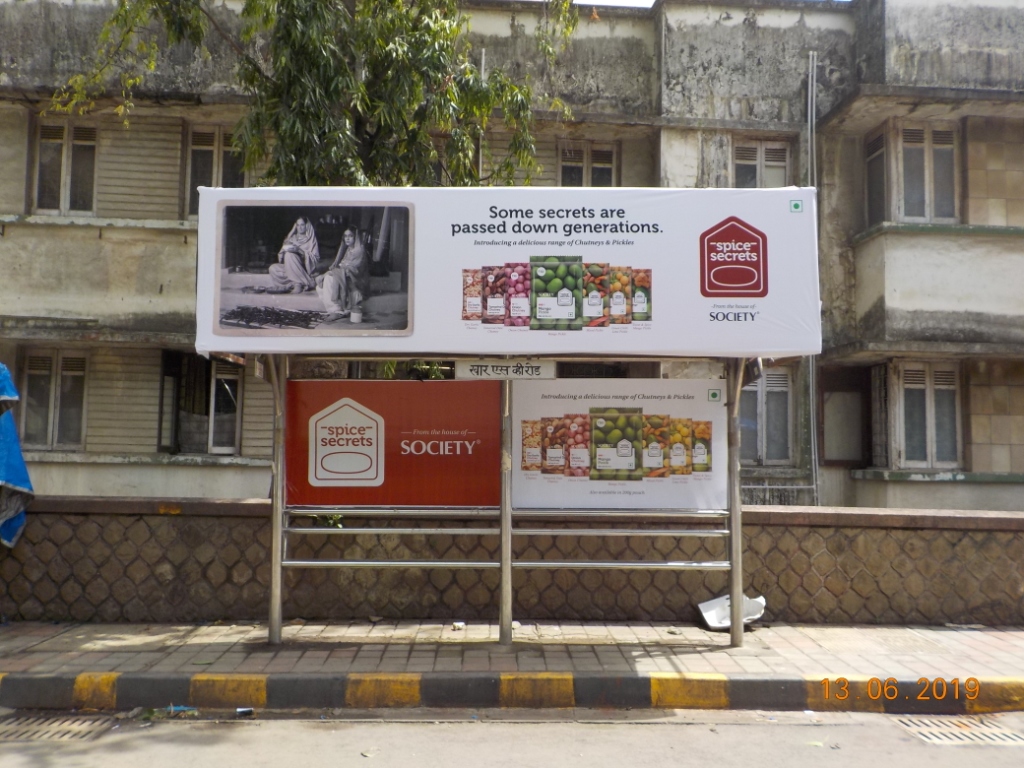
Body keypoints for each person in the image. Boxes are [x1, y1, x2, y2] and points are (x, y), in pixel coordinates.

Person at [316, 227, 369, 320]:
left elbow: (353, 270)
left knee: (328, 278)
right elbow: (342, 266)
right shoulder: (348, 249)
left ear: (356, 237)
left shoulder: (359, 250)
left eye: (350, 236)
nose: (347, 238)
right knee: (320, 286)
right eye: (345, 236)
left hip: (355, 284)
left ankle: (337, 311)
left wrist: (330, 273)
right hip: (345, 279)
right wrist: (333, 272)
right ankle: (339, 308)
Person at [267, 216, 319, 293]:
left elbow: (315, 258)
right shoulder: (293, 238)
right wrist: (292, 231)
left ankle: (298, 284)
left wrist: (299, 251)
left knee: (289, 255)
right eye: (297, 225)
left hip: (303, 269)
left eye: (302, 225)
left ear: (306, 226)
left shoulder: (311, 240)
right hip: (291, 268)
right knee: (273, 268)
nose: (300, 227)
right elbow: (282, 253)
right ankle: (295, 283)